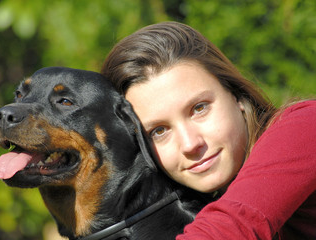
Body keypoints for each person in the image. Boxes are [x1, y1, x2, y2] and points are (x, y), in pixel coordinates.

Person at [101, 21, 316, 239]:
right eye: (158, 131)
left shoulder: (305, 125)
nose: (190, 144)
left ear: (235, 94)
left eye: (199, 108)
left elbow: (232, 226)